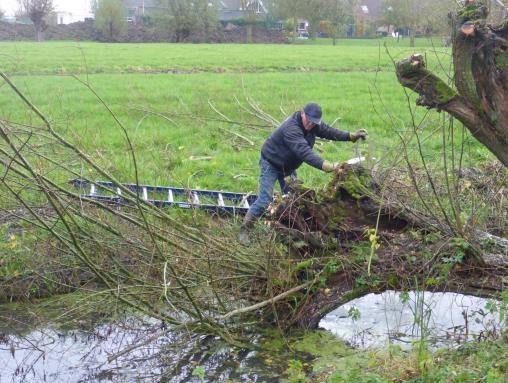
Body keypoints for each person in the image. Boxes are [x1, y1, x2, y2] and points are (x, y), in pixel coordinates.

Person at [239, 102, 368, 246]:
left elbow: (329, 131)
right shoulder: (291, 128)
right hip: (271, 163)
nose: (311, 125)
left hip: (288, 167)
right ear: (302, 113)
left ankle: (288, 232)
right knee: (264, 201)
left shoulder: (313, 123)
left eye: (314, 123)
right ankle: (245, 231)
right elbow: (304, 152)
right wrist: (329, 167)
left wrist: (351, 136)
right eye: (309, 121)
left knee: (294, 200)